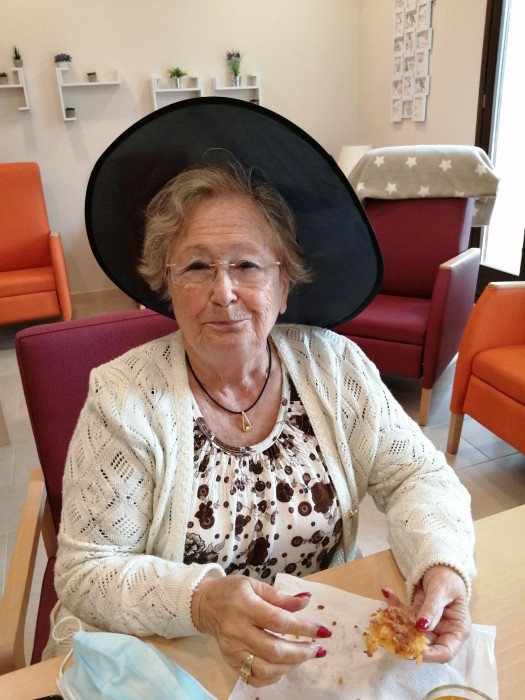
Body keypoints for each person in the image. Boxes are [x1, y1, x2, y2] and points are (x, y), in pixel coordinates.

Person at [45, 99, 475, 690]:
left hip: (317, 659)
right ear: (166, 284)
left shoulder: (335, 366)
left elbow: (417, 475)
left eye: (246, 264)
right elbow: (86, 571)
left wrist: (441, 561)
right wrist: (201, 602)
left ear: (283, 282)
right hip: (168, 664)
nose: (223, 292)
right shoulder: (123, 399)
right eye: (197, 266)